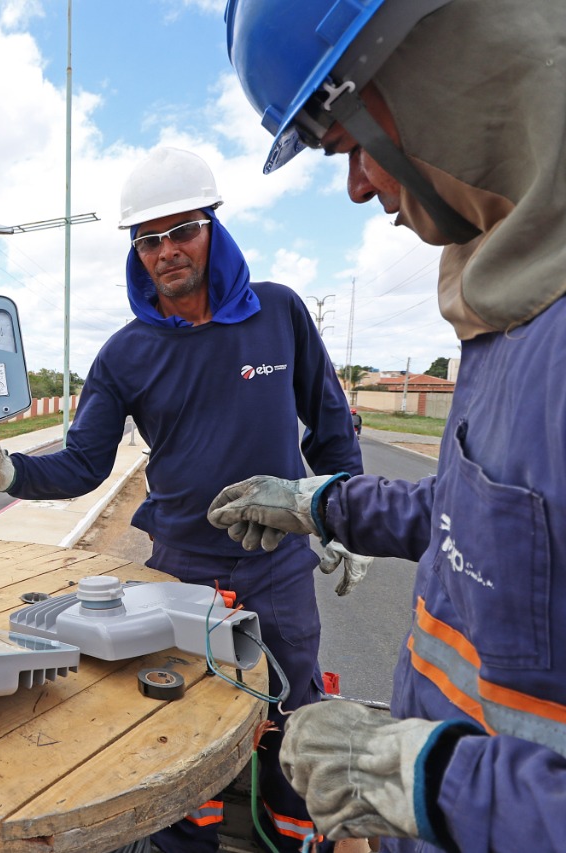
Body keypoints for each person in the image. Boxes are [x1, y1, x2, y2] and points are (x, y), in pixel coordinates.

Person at [209, 1, 566, 850]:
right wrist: (322, 503)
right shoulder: (510, 307)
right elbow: (485, 518)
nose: (358, 186)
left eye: (348, 142)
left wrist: (436, 779)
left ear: (447, 70)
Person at [0, 147, 367, 853]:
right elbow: (81, 466)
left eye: (182, 230)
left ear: (213, 228)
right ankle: (183, 844)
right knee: (176, 717)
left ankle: (294, 837)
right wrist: (4, 471)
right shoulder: (123, 355)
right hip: (178, 570)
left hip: (278, 565)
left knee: (294, 709)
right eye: (149, 239)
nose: (166, 251)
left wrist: (339, 517)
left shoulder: (281, 314)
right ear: (135, 252)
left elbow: (329, 430)